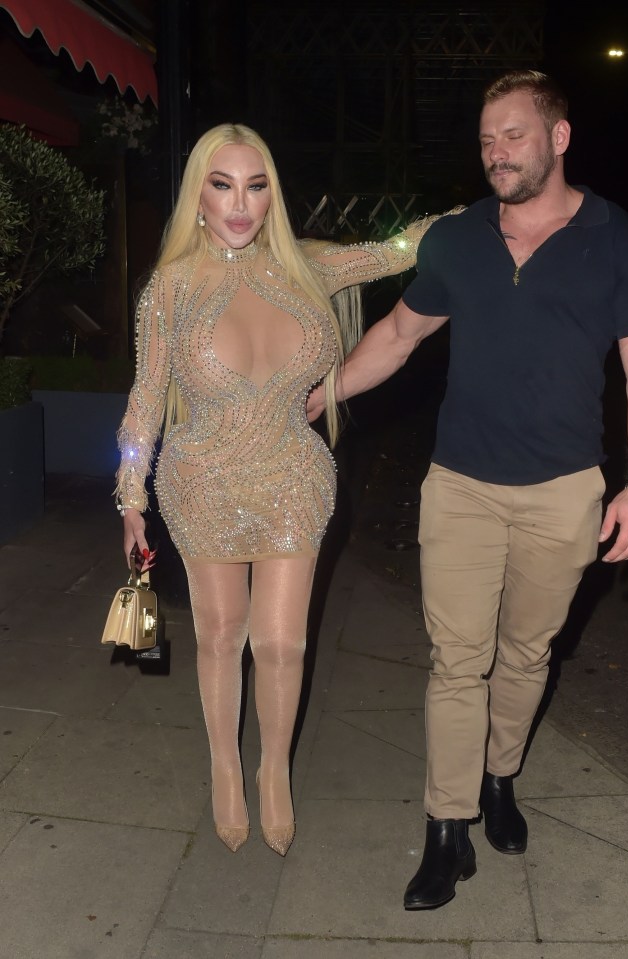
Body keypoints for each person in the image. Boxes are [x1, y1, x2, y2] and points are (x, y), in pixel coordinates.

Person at [307, 70, 628, 908]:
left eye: (512, 134)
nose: (495, 152)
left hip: (565, 491)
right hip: (461, 486)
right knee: (456, 660)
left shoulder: (624, 242)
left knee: (526, 654)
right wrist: (318, 392)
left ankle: (499, 775)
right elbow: (399, 336)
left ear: (558, 137)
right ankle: (448, 828)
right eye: (485, 138)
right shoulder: (457, 239)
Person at [114, 123, 446, 857]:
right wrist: (130, 492)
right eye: (223, 184)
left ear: (273, 195)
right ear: (197, 195)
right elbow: (145, 395)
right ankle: (225, 768)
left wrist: (488, 212)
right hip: (201, 478)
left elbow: (399, 249)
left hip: (294, 475)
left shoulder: (309, 268)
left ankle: (273, 771)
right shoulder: (170, 288)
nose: (241, 203)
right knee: (221, 636)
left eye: (256, 185)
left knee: (283, 640)